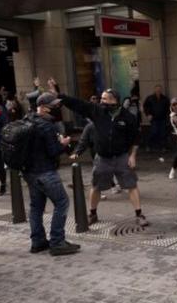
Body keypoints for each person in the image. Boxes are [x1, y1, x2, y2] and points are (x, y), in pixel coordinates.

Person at [48, 81, 147, 227]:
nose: (101, 101)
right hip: (102, 159)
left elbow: (136, 138)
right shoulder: (98, 111)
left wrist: (132, 156)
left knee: (132, 185)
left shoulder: (128, 117)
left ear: (114, 100)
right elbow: (79, 104)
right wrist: (60, 96)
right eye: (101, 99)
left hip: (121, 158)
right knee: (96, 187)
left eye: (105, 99)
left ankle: (139, 215)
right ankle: (92, 213)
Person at [23, 93, 80, 256]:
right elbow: (53, 151)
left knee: (36, 207)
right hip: (45, 171)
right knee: (62, 202)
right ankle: (57, 242)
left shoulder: (27, 119)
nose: (56, 109)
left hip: (30, 172)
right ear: (43, 107)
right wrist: (63, 144)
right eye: (53, 106)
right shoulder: (46, 126)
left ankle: (38, 241)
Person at [143, 85, 170, 152]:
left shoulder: (165, 98)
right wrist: (148, 114)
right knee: (153, 132)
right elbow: (145, 107)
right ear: (154, 90)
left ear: (161, 90)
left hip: (162, 118)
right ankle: (148, 145)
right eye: (157, 90)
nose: (158, 91)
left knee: (163, 133)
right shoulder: (150, 98)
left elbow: (168, 109)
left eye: (159, 90)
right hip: (154, 118)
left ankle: (163, 147)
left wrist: (168, 117)